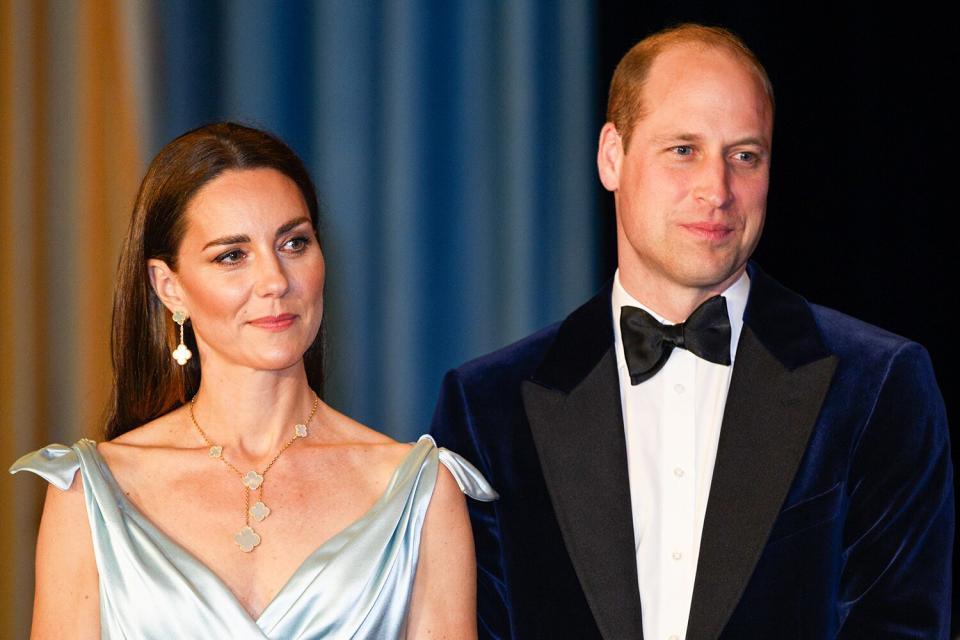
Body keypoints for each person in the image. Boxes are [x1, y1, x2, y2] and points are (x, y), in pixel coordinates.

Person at [430, 23, 953, 640]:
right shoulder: (488, 405)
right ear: (611, 156)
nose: (718, 190)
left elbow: (900, 625)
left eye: (745, 155)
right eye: (684, 149)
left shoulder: (877, 384)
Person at [11, 122, 496, 639]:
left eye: (293, 243)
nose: (275, 281)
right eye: (232, 255)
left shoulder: (420, 492)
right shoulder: (89, 494)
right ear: (169, 287)